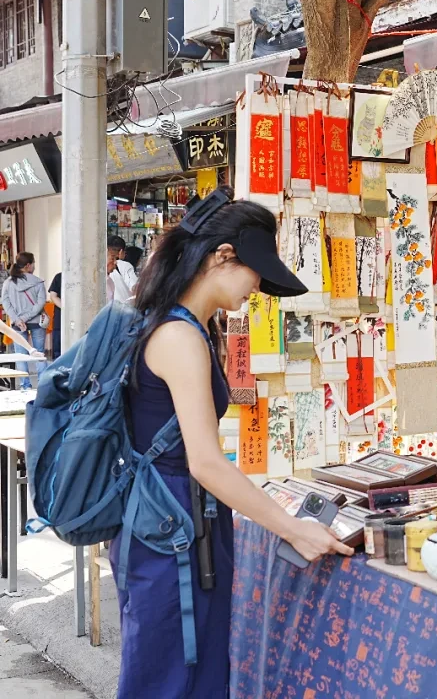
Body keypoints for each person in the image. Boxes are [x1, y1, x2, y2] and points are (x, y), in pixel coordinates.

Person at [114, 189, 352, 698]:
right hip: (171, 532)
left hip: (179, 525)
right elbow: (203, 461)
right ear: (222, 257)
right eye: (255, 273)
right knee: (170, 677)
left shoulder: (187, 326)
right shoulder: (179, 337)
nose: (258, 288)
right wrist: (292, 527)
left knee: (190, 671)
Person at [1, 252, 48, 389]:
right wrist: (27, 317)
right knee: (39, 352)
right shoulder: (38, 282)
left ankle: (24, 386)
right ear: (28, 265)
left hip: (17, 324)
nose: (34, 266)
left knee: (21, 355)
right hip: (36, 322)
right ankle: (43, 386)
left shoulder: (8, 283)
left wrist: (17, 319)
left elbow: (5, 302)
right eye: (33, 263)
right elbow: (40, 303)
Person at [108, 235, 139, 303]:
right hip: (123, 309)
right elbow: (135, 288)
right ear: (121, 252)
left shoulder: (101, 266)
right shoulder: (125, 266)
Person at [48, 272, 61, 358]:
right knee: (58, 349)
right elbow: (53, 296)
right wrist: (66, 308)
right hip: (60, 319)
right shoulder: (59, 277)